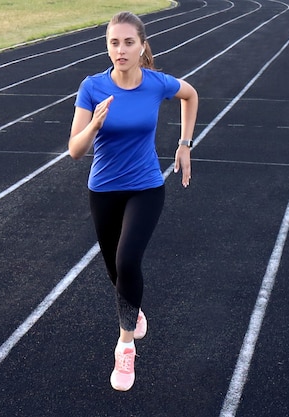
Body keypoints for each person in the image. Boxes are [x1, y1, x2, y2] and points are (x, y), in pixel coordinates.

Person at [68, 11, 198, 391]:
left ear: (142, 46)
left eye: (128, 42)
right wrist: (94, 124)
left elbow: (190, 95)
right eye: (113, 42)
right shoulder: (91, 87)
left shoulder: (157, 83)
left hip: (145, 187)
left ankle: (125, 347)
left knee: (128, 260)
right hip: (104, 190)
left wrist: (184, 145)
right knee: (116, 273)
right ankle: (133, 310)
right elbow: (75, 151)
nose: (120, 50)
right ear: (107, 46)